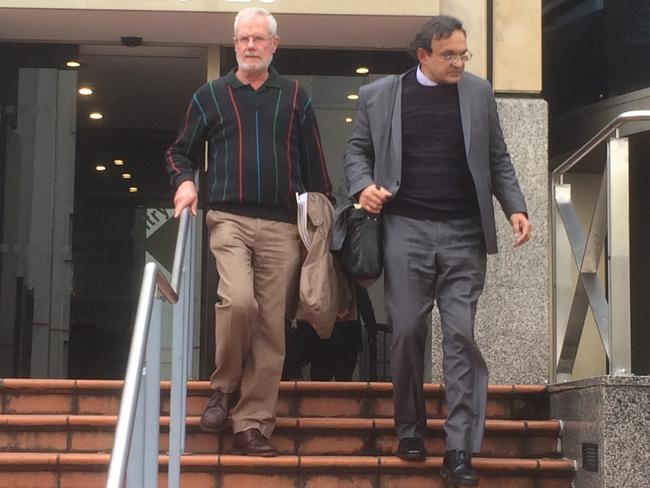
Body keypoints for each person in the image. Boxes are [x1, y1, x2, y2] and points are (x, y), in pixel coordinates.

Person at [343, 15, 531, 486]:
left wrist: (515, 208)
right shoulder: (380, 95)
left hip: (465, 232)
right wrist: (363, 186)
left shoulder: (478, 93)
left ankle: (459, 449)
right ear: (422, 53)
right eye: (449, 54)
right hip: (406, 227)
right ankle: (409, 428)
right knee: (406, 331)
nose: (458, 62)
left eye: (463, 53)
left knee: (461, 336)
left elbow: (498, 158)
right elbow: (356, 152)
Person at [165, 7, 331, 457]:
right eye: (243, 40)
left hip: (281, 226)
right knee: (238, 302)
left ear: (274, 44)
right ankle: (222, 388)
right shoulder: (211, 96)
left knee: (271, 328)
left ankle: (252, 423)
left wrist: (323, 227)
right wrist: (184, 182)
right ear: (235, 44)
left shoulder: (296, 96)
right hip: (228, 219)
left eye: (259, 39)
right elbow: (179, 152)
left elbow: (315, 170)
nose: (250, 46)